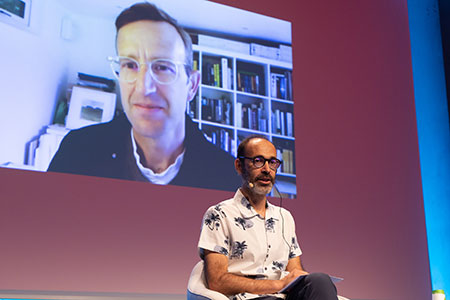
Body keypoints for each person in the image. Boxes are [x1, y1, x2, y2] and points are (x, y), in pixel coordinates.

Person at [48, 2, 240, 191]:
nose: (143, 88)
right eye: (130, 65)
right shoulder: (76, 152)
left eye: (163, 67)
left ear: (191, 85)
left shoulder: (231, 182)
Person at [197, 135, 338, 299]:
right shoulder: (219, 214)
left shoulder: (284, 217)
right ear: (239, 166)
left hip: (284, 296)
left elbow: (295, 272)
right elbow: (218, 281)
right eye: (258, 161)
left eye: (272, 163)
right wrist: (277, 285)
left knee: (320, 280)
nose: (266, 169)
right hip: (248, 298)